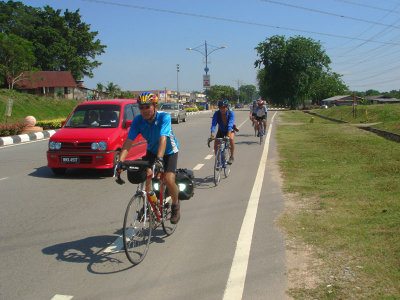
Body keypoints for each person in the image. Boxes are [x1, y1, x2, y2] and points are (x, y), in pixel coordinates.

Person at [118, 92, 181, 224]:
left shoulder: (164, 117)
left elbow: (163, 138)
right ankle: (151, 204)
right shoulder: (138, 121)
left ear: (155, 106)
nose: (144, 110)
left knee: (169, 180)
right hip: (152, 150)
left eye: (148, 107)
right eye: (141, 107)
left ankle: (175, 205)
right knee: (147, 178)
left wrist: (159, 159)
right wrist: (121, 161)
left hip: (169, 151)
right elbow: (129, 141)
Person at [209, 100, 235, 164]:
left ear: (227, 107)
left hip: (229, 130)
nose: (222, 109)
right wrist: (212, 135)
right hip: (221, 130)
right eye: (220, 107)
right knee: (216, 145)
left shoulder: (231, 113)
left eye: (224, 107)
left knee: (231, 139)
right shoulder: (217, 113)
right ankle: (218, 161)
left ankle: (232, 156)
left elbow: (230, 125)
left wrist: (228, 136)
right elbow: (214, 125)